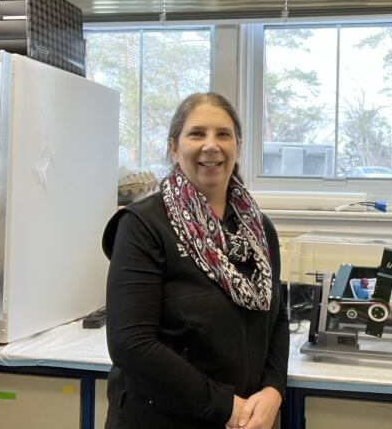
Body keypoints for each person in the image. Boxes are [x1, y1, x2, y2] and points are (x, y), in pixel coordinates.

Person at [102, 93, 288, 429]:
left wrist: (274, 390)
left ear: (238, 146)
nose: (211, 145)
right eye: (197, 134)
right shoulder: (143, 225)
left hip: (247, 419)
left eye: (223, 134)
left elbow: (277, 317)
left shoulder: (260, 231)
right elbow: (130, 344)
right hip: (163, 418)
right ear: (174, 147)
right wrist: (225, 407)